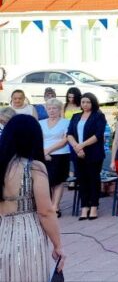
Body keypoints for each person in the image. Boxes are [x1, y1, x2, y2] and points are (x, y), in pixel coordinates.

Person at [0, 115, 66, 280]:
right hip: (28, 234)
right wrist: (58, 245)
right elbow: (45, 212)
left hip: (3, 229)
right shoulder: (34, 167)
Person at [66, 93, 106, 220]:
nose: (85, 104)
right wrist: (76, 147)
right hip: (78, 153)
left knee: (93, 180)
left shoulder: (98, 116)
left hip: (93, 152)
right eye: (83, 102)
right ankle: (84, 207)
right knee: (82, 180)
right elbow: (70, 133)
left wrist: (82, 145)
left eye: (88, 102)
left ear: (93, 102)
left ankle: (94, 206)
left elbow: (98, 134)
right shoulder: (76, 116)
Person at [40, 98, 70, 215]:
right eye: (49, 108)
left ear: (59, 109)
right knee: (46, 181)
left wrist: (48, 150)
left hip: (60, 154)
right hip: (43, 154)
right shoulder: (40, 123)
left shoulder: (66, 122)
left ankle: (55, 207)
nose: (52, 111)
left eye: (54, 108)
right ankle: (48, 205)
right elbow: (38, 139)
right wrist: (44, 153)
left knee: (58, 181)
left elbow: (64, 140)